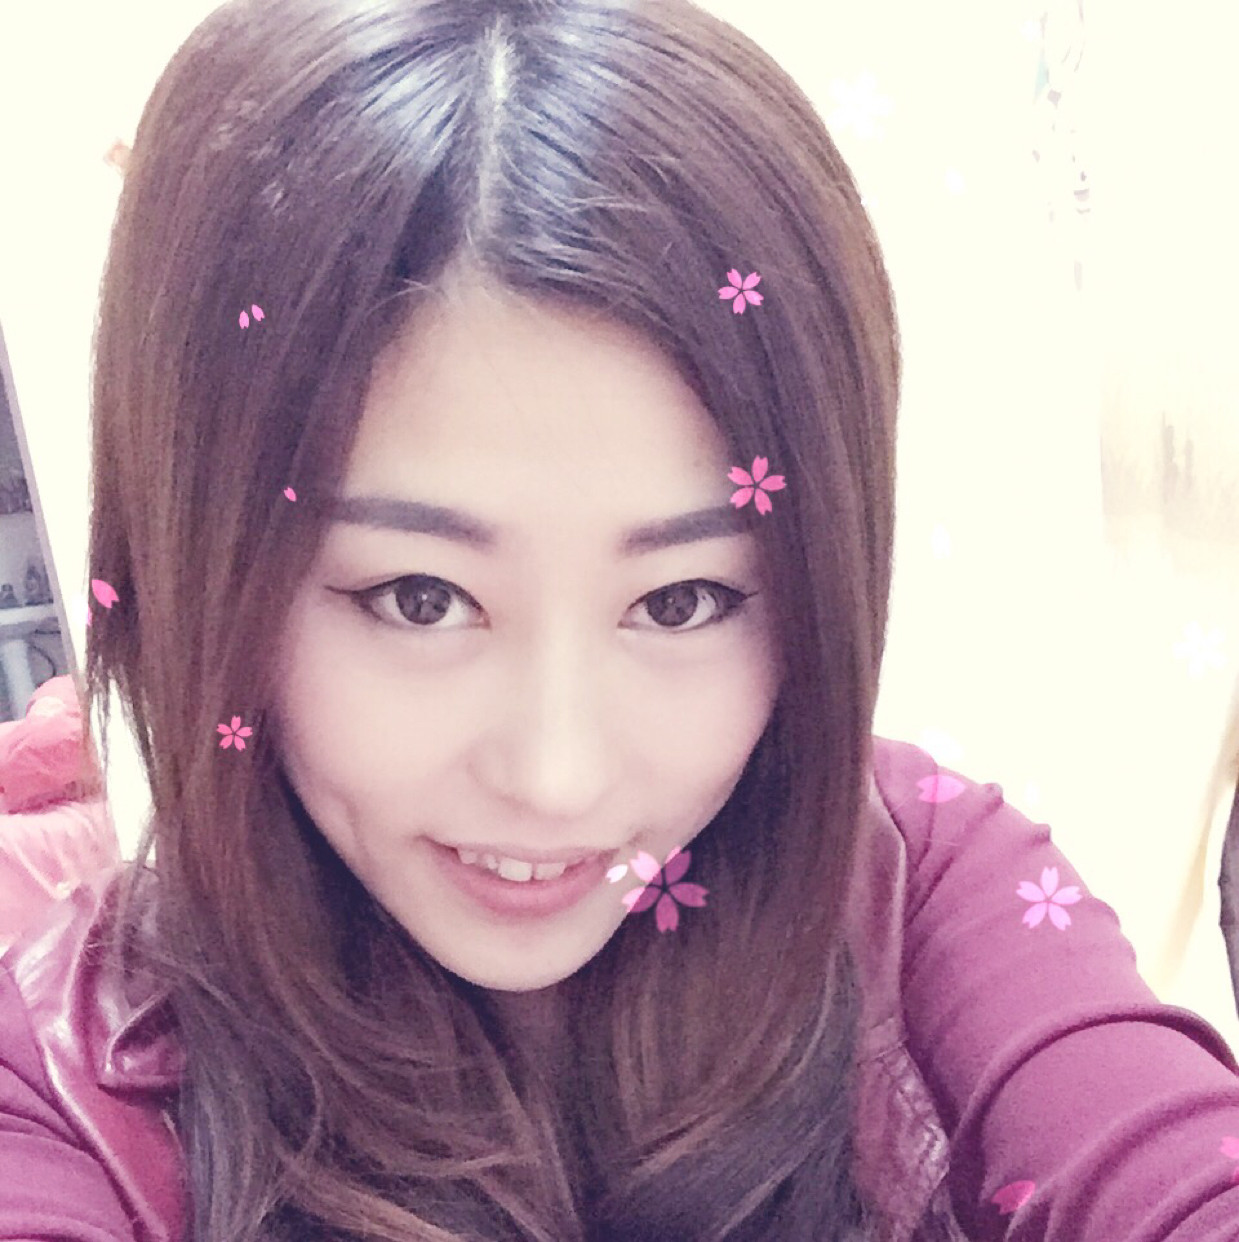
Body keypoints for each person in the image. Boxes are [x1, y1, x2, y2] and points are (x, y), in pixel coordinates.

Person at [4, 1, 1239, 1240]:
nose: (557, 777)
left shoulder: (915, 887)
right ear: (199, 561)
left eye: (682, 601)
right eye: (420, 600)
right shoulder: (62, 1089)